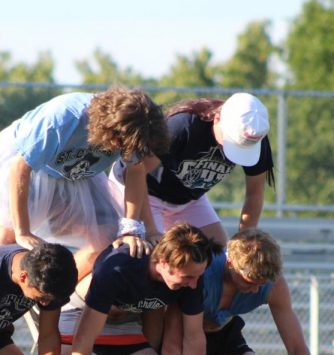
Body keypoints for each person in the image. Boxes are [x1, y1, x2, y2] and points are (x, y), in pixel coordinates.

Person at [0, 86, 170, 273]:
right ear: (111, 127)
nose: (123, 152)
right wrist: (23, 231)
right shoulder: (63, 118)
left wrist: (132, 228)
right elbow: (20, 169)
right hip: (29, 170)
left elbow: (135, 171)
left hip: (75, 175)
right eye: (121, 145)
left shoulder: (135, 132)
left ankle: (62, 297)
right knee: (5, 239)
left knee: (107, 241)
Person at [162, 228, 314, 355]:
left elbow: (297, 347)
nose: (256, 290)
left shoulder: (274, 286)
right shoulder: (201, 273)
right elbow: (176, 342)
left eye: (262, 284)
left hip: (225, 336)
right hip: (183, 341)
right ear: (231, 263)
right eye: (250, 282)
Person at [66, 223, 218, 355]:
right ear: (163, 262)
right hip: (78, 315)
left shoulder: (191, 278)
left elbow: (194, 338)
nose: (194, 284)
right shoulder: (120, 267)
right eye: (188, 277)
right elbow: (84, 340)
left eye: (198, 276)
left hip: (126, 323)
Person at [109, 92, 273, 245]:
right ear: (217, 119)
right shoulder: (182, 126)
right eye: (231, 141)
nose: (228, 151)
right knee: (154, 255)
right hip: (142, 191)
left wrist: (243, 242)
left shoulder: (255, 139)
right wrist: (149, 230)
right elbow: (136, 172)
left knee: (218, 253)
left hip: (187, 198)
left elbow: (255, 193)